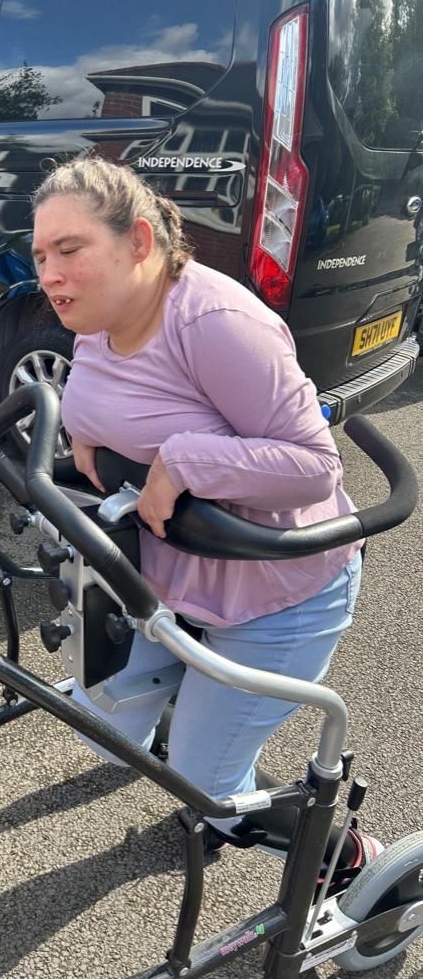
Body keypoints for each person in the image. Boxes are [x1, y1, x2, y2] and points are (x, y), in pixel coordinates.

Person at [30, 155, 378, 870]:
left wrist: (185, 459)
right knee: (98, 729)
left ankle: (344, 854)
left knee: (203, 791)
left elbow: (316, 467)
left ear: (138, 243)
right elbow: (104, 398)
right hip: (170, 577)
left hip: (275, 595)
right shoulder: (96, 315)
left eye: (69, 250)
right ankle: (197, 713)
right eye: (39, 255)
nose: (50, 275)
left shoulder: (214, 321)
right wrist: (79, 426)